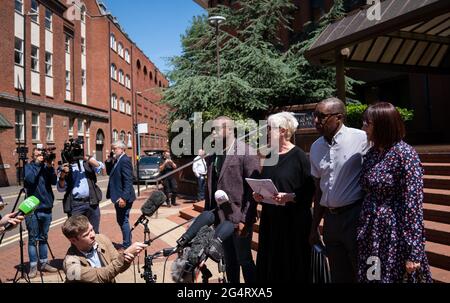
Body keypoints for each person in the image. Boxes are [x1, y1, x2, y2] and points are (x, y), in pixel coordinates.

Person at [358, 102, 432, 283]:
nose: (363, 128)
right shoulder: (373, 153)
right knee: (372, 276)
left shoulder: (405, 154)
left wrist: (413, 251)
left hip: (394, 233)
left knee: (392, 277)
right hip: (372, 232)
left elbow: (413, 204)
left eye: (367, 123)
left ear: (382, 125)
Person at [309, 97, 369, 283]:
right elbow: (319, 189)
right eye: (315, 116)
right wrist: (314, 227)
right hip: (331, 221)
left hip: (355, 217)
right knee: (339, 275)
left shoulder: (361, 139)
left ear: (339, 117)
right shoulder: (316, 146)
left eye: (322, 117)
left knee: (364, 273)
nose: (316, 121)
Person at [253, 112, 315, 283]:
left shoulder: (299, 156)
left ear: (282, 131)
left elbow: (310, 190)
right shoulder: (270, 155)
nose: (266, 133)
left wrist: (290, 197)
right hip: (271, 221)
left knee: (292, 267)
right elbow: (266, 181)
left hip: (293, 223)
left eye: (269, 129)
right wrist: (258, 193)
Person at [205, 116, 260, 283]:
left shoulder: (246, 152)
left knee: (244, 260)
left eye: (216, 129)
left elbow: (253, 190)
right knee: (229, 261)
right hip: (220, 220)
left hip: (238, 219)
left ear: (229, 130)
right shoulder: (213, 155)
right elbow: (211, 187)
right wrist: (208, 215)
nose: (212, 133)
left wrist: (244, 219)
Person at [62, 215, 147, 283]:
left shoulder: (101, 239)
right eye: (86, 235)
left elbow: (118, 267)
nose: (92, 235)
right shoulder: (70, 266)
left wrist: (128, 259)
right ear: (73, 240)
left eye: (91, 230)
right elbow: (100, 277)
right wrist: (123, 257)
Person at [24, 148, 59, 278]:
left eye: (41, 155)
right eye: (38, 155)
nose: (40, 157)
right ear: (33, 157)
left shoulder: (46, 167)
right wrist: (38, 165)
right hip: (33, 209)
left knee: (44, 238)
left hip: (46, 208)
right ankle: (33, 266)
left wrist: (49, 166)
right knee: (33, 239)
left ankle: (44, 263)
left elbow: (54, 181)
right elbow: (30, 180)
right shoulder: (29, 167)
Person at [58, 148, 104, 234]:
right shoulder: (65, 167)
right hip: (76, 204)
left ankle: (94, 247)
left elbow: (100, 167)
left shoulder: (87, 163)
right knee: (76, 233)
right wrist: (63, 174)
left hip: (92, 203)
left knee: (94, 232)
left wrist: (84, 157)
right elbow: (61, 188)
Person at [106, 140, 136, 249]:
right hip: (119, 196)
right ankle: (128, 240)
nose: (113, 151)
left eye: (115, 149)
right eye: (112, 149)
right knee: (122, 220)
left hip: (123, 197)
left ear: (122, 149)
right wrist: (109, 159)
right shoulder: (117, 160)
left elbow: (128, 180)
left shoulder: (124, 160)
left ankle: (127, 244)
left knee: (123, 220)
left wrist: (124, 198)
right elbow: (109, 172)